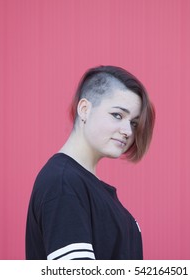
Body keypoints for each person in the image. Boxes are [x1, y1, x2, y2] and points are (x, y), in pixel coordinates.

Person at [25, 65, 155, 260]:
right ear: (84, 109)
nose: (128, 131)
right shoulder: (63, 184)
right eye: (117, 115)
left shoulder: (79, 185)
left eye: (133, 123)